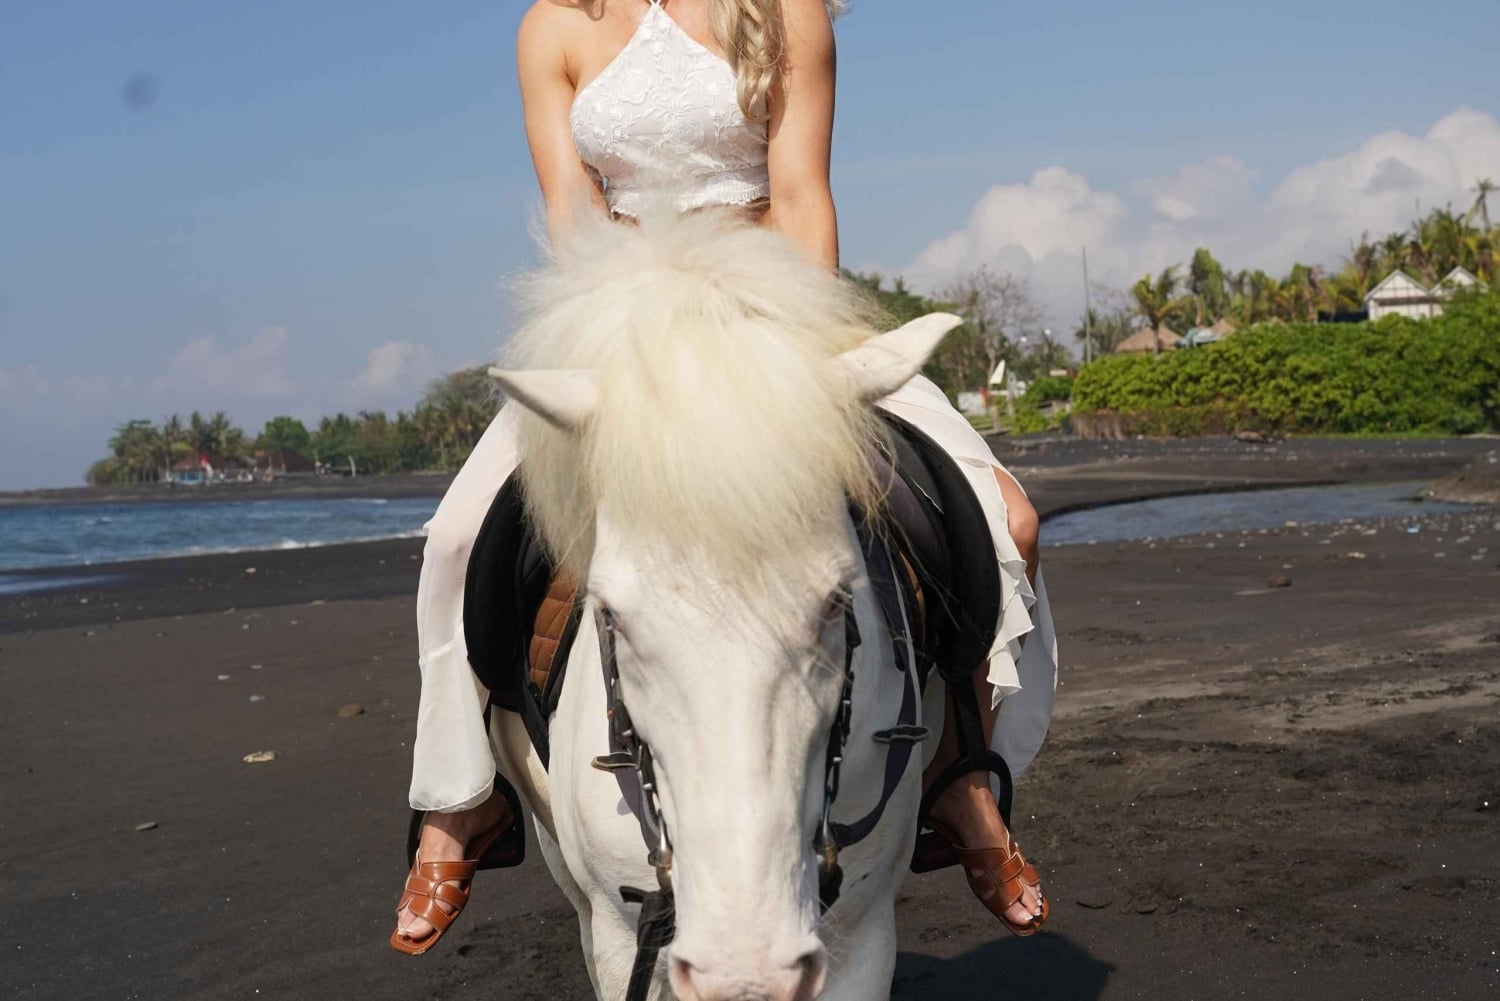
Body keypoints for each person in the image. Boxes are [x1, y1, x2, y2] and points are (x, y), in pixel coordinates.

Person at [392, 0, 1057, 955]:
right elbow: (571, 213)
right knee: (458, 540)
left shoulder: (787, 13)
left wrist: (792, 356)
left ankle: (959, 775)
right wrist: (614, 336)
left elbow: (802, 197)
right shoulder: (553, 28)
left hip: (769, 304)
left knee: (1010, 522)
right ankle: (465, 798)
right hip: (618, 322)